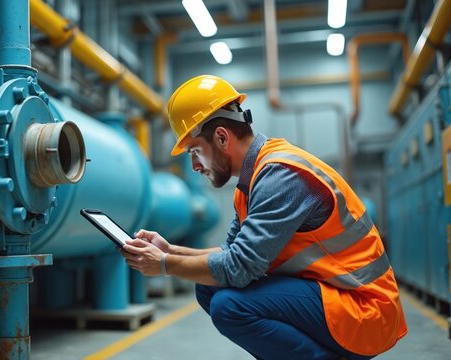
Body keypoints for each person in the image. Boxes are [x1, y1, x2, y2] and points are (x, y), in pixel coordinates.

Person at [122, 75, 407, 360]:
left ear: (222, 137)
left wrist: (163, 265)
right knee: (209, 288)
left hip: (366, 310)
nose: (195, 165)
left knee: (228, 305)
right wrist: (171, 251)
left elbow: (239, 267)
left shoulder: (280, 176)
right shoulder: (252, 181)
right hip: (334, 294)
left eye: (195, 151)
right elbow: (231, 253)